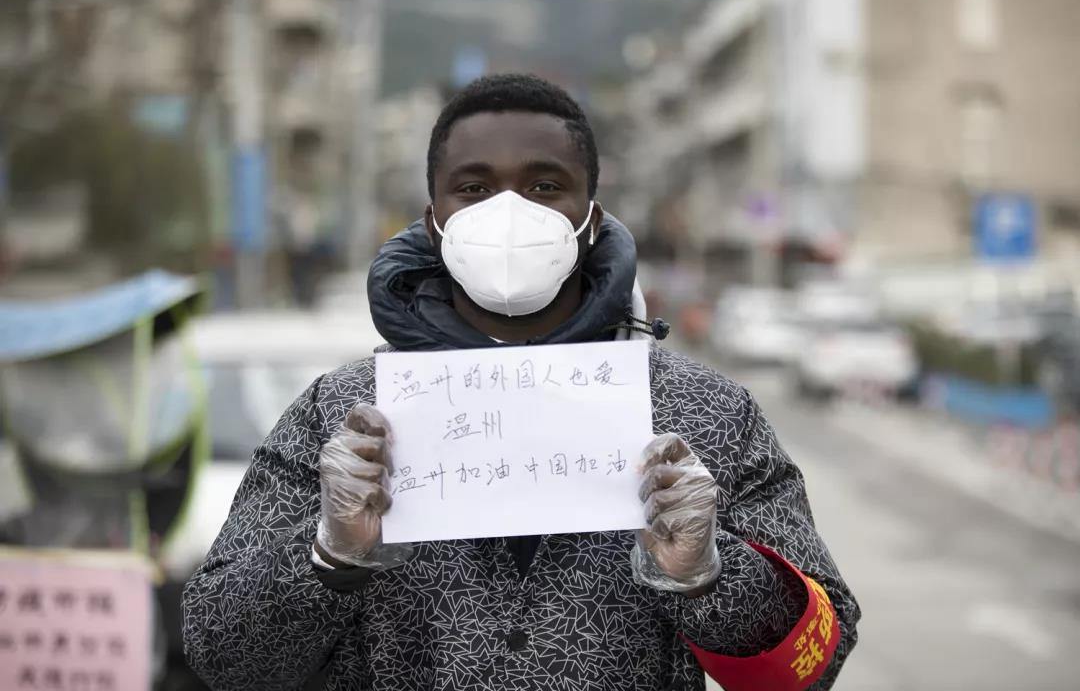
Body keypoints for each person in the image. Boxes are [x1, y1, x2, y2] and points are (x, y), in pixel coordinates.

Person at [183, 74, 860, 691]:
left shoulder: (704, 414)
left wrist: (708, 573)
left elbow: (817, 659)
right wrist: (330, 556)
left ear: (591, 219)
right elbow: (222, 658)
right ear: (434, 222)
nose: (508, 215)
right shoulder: (342, 416)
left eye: (544, 186)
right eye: (474, 188)